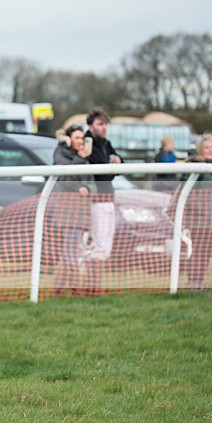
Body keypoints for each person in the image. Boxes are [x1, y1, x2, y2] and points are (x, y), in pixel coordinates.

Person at [50, 125, 95, 296]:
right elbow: (65, 178)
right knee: (71, 251)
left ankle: (58, 290)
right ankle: (76, 289)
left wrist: (87, 189)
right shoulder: (61, 154)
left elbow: (91, 182)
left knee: (69, 251)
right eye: (77, 138)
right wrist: (79, 159)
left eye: (82, 138)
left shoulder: (84, 158)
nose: (81, 141)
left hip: (81, 209)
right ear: (68, 139)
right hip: (68, 208)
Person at [84, 107, 122, 296]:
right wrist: (111, 165)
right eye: (100, 124)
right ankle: (92, 287)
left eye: (106, 124)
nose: (104, 128)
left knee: (106, 247)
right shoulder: (88, 143)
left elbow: (118, 166)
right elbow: (99, 169)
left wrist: (114, 165)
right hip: (95, 201)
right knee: (98, 246)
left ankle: (97, 287)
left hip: (108, 198)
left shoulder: (106, 143)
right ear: (90, 126)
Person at [178, 136, 212, 290]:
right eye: (207, 147)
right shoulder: (197, 168)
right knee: (198, 252)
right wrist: (202, 208)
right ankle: (194, 282)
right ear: (200, 150)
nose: (210, 150)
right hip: (199, 219)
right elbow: (186, 192)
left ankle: (199, 281)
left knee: (206, 252)